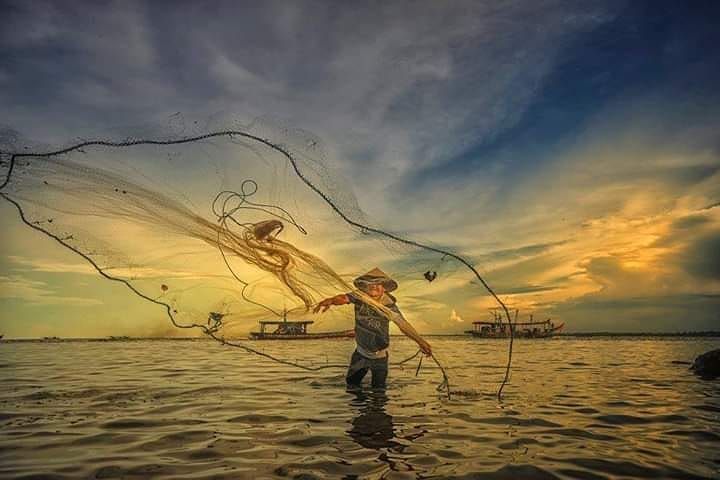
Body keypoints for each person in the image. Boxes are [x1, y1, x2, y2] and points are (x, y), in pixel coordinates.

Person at [313, 267, 432, 388]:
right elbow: (343, 298)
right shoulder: (359, 296)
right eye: (371, 283)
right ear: (365, 286)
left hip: (380, 357)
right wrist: (331, 300)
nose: (374, 286)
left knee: (379, 391)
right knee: (352, 386)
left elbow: (403, 324)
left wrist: (421, 342)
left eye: (378, 284)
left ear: (384, 288)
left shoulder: (389, 305)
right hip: (360, 353)